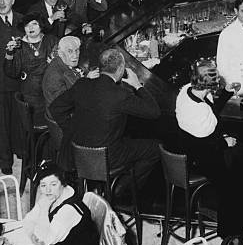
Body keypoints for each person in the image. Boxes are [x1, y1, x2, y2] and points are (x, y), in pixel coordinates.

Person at [49, 48, 161, 189]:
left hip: (76, 152)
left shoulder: (82, 84)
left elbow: (55, 108)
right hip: (107, 156)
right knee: (155, 148)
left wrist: (70, 129)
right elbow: (154, 111)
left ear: (100, 67)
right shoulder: (120, 95)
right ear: (121, 69)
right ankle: (120, 191)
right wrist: (137, 85)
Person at [175, 60, 243, 236]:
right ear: (212, 85)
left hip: (188, 150)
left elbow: (210, 114)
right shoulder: (200, 111)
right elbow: (207, 143)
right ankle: (233, 231)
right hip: (203, 159)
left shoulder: (186, 92)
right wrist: (225, 142)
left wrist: (226, 94)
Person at [15, 162, 99, 245]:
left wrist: (42, 212)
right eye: (43, 185)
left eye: (53, 184)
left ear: (63, 183)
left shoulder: (68, 210)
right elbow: (28, 221)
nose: (47, 190)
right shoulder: (52, 196)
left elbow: (44, 240)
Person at [5, 13, 59, 127]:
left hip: (51, 92)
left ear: (41, 26)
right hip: (31, 96)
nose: (30, 28)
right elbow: (12, 72)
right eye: (27, 25)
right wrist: (9, 53)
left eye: (34, 24)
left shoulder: (51, 41)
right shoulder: (19, 45)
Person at [0, 0, 23, 175]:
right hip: (0, 83)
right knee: (2, 125)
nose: (1, 3)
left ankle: (22, 153)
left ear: (13, 0)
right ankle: (5, 161)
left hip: (19, 82)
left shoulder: (24, 21)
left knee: (19, 122)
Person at [42, 36, 99, 107]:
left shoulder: (63, 62)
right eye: (70, 51)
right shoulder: (54, 75)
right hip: (61, 114)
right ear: (61, 53)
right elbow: (66, 101)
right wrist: (86, 80)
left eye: (77, 50)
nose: (75, 55)